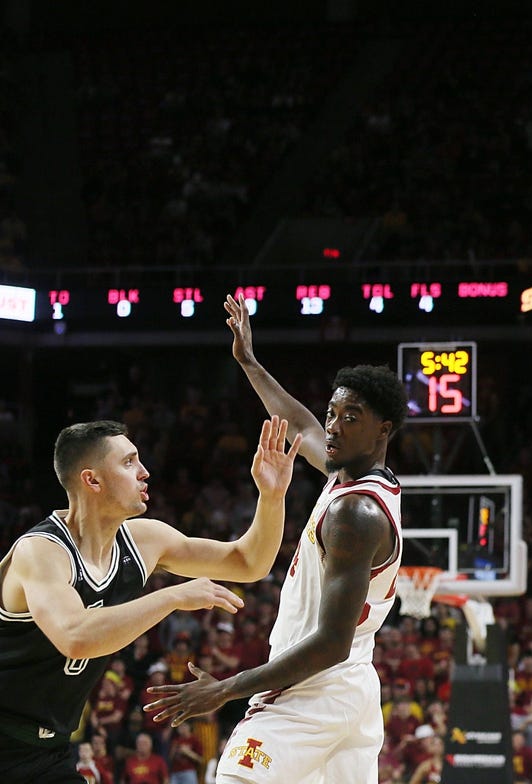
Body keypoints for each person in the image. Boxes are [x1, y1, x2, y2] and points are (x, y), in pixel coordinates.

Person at [145, 293, 408, 784]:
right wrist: (249, 362)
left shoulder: (355, 511)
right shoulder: (352, 477)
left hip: (316, 686)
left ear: (383, 429)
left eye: (350, 418)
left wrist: (225, 689)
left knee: (235, 778)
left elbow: (330, 644)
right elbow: (301, 423)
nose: (332, 426)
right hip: (351, 686)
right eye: (334, 412)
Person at [0, 415, 300, 782]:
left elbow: (248, 562)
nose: (144, 472)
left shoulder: (144, 540)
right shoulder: (41, 551)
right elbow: (75, 637)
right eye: (128, 462)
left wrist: (271, 498)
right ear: (91, 479)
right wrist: (171, 596)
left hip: (49, 752)